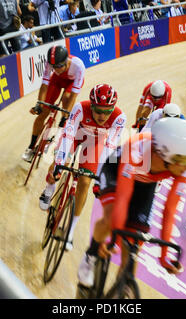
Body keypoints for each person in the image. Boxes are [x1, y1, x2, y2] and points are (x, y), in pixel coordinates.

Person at [77, 117, 186, 288]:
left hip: (145, 184)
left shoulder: (183, 168)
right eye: (184, 160)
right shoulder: (137, 149)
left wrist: (164, 256)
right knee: (110, 218)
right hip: (116, 170)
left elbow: (170, 210)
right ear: (166, 154)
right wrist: (114, 237)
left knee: (133, 248)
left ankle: (123, 289)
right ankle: (91, 255)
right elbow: (122, 197)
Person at [39, 84, 126, 251]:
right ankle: (49, 188)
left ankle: (70, 231)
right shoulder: (80, 108)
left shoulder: (119, 117)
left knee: (85, 182)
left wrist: (100, 178)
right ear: (91, 106)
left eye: (107, 111)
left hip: (96, 143)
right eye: (98, 110)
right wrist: (59, 162)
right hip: (75, 135)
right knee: (60, 163)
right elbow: (68, 135)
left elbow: (109, 147)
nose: (102, 116)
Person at [22, 45, 86, 162]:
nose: (56, 69)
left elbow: (73, 96)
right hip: (57, 81)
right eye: (54, 67)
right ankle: (31, 147)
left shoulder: (78, 66)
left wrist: (66, 115)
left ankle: (62, 125)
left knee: (66, 97)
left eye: (59, 66)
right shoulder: (50, 63)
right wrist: (39, 104)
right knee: (43, 113)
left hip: (72, 83)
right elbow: (45, 84)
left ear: (66, 61)